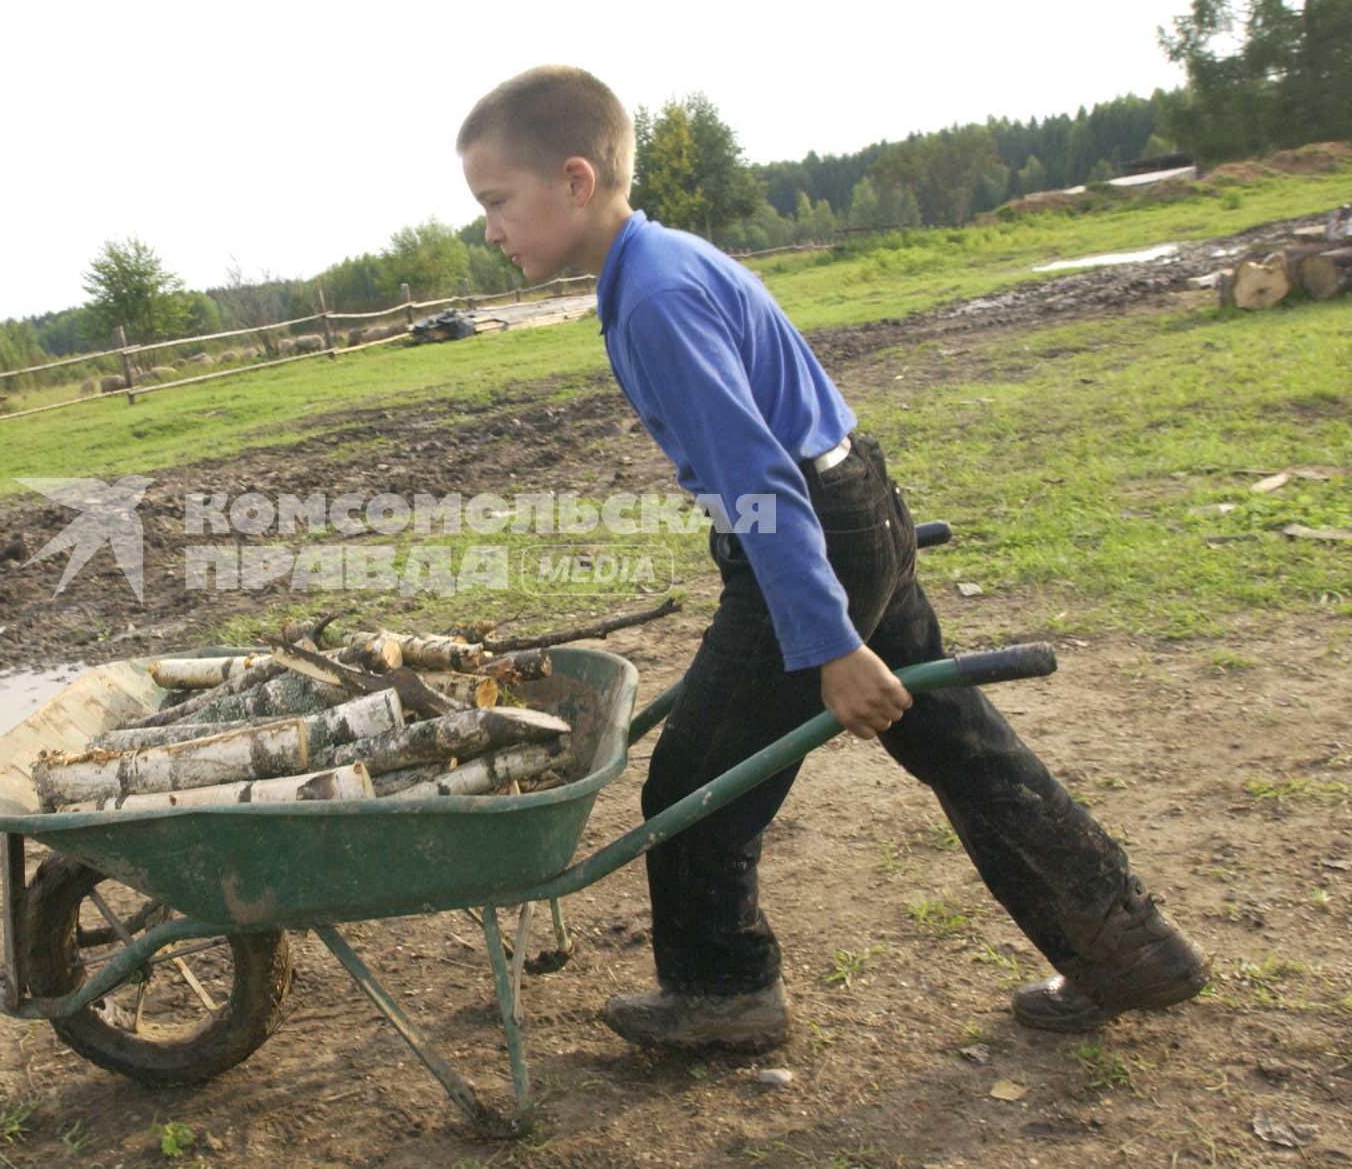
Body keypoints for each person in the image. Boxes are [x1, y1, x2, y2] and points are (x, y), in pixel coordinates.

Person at [456, 65, 1207, 1051]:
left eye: (497, 202)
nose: (490, 230)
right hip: (853, 501)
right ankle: (1129, 944)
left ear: (577, 180)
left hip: (806, 532)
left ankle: (724, 993)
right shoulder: (666, 262)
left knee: (691, 789)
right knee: (961, 750)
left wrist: (829, 644)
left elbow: (760, 483)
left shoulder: (653, 301)